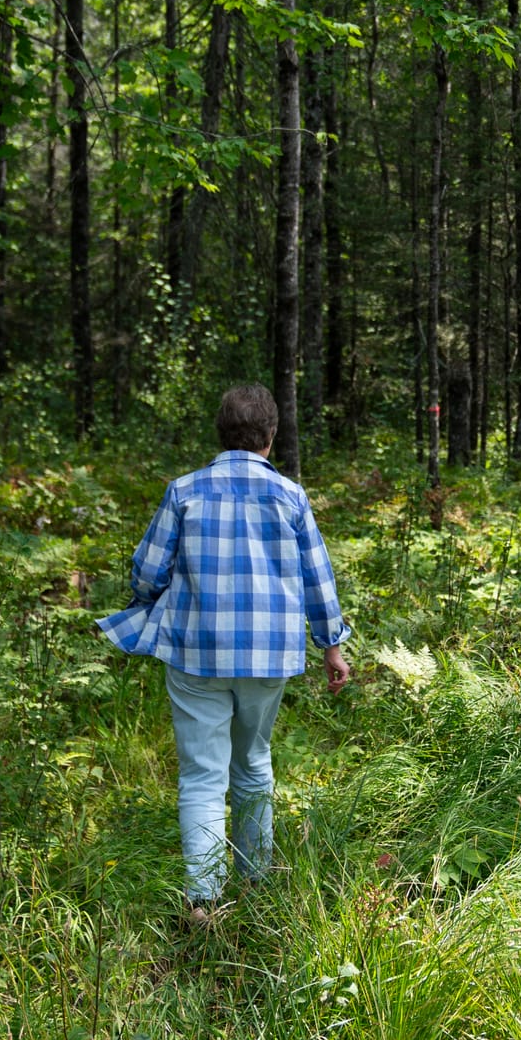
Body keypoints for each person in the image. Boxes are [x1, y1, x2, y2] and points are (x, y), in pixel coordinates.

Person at [99, 384, 351, 921]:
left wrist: (151, 598)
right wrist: (332, 645)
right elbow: (318, 580)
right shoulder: (291, 497)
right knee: (254, 762)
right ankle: (255, 880)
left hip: (197, 652)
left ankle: (205, 900)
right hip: (269, 656)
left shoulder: (184, 491)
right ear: (271, 436)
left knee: (201, 775)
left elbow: (146, 574)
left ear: (221, 432)